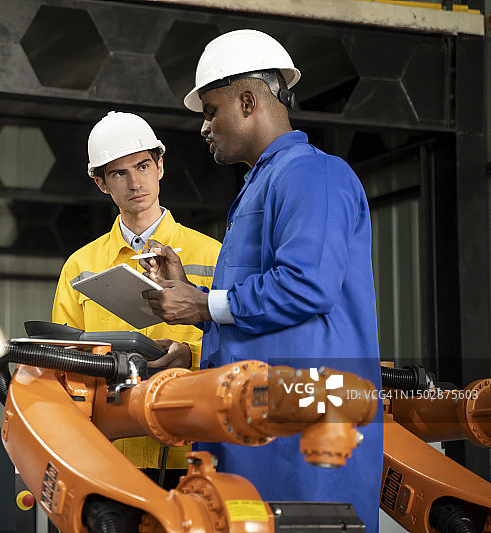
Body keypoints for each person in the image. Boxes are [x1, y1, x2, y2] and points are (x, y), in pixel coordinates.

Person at [139, 30, 382, 532]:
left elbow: (305, 286)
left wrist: (203, 306)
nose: (204, 127)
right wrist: (196, 331)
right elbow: (258, 315)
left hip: (302, 449)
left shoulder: (314, 175)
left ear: (248, 100)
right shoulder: (264, 184)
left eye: (211, 110)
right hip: (259, 442)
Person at [52, 111, 220, 487]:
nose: (135, 182)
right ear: (101, 183)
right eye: (119, 173)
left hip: (190, 453)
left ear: (160, 166)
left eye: (143, 166)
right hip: (108, 454)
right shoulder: (80, 266)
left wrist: (187, 353)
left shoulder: (213, 256)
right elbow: (64, 362)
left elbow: (236, 346)